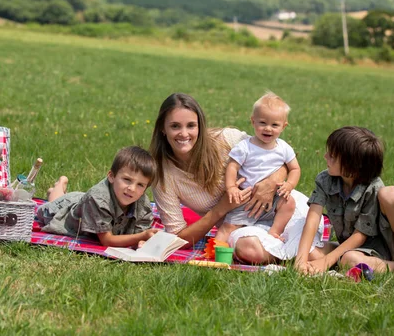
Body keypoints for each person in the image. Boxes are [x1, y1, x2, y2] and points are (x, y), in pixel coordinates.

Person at [149, 92, 290, 253]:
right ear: (162, 128)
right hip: (239, 228)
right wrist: (220, 208)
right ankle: (289, 250)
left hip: (278, 209)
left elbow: (284, 158)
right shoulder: (162, 175)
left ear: (200, 126)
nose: (184, 133)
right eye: (175, 126)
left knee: (308, 236)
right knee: (251, 250)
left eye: (191, 125)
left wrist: (270, 183)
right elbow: (178, 238)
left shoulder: (225, 139)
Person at [295, 126, 394, 274]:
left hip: (382, 247)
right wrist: (301, 259)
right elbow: (313, 217)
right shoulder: (325, 180)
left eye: (332, 156)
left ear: (352, 165)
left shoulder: (373, 188)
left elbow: (360, 236)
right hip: (352, 247)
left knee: (349, 260)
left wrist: (326, 261)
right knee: (311, 252)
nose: (325, 157)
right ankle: (366, 262)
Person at [216, 91, 301, 243]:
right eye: (263, 123)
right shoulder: (245, 147)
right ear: (253, 121)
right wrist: (231, 188)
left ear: (283, 126)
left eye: (274, 125)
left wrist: (289, 184)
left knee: (289, 203)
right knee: (228, 227)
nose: (268, 128)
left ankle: (274, 232)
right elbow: (232, 167)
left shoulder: (283, 148)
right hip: (246, 198)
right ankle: (216, 251)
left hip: (273, 198)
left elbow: (295, 168)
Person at [35, 146, 159, 247]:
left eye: (140, 185)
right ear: (111, 176)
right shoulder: (98, 199)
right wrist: (142, 237)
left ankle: (58, 189)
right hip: (67, 213)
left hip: (86, 203)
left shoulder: (143, 205)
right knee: (55, 204)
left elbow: (139, 233)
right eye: (127, 179)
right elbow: (107, 240)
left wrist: (142, 242)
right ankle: (60, 184)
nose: (132, 188)